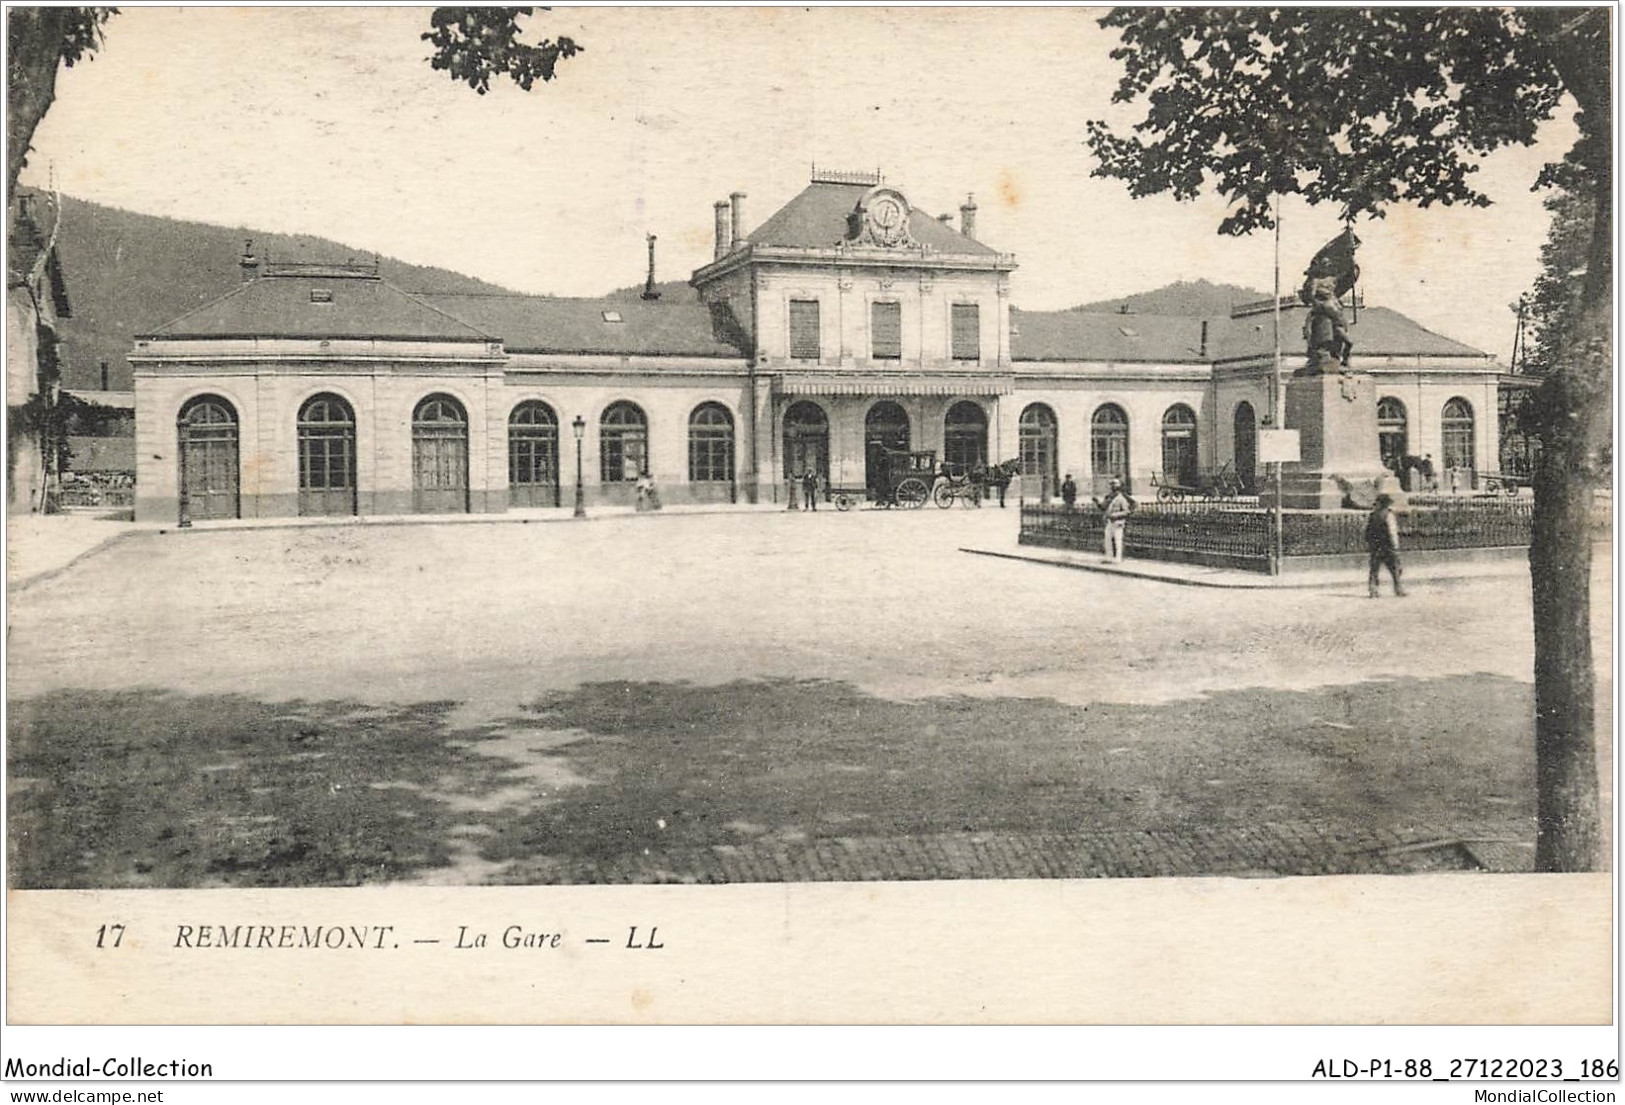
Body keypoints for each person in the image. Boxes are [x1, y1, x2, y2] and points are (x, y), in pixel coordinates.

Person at [1365, 492, 1404, 597]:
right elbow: (1392, 531)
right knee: (1395, 568)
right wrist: (1395, 546)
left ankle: (1373, 590)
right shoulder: (1389, 515)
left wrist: (1370, 543)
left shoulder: (1373, 515)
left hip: (1376, 546)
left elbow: (1368, 531)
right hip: (1387, 545)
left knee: (1374, 570)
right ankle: (1398, 589)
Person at [1099, 477, 1134, 562]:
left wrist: (1115, 515)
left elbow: (1126, 511)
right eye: (1112, 486)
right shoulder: (1109, 498)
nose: (1112, 488)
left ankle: (1118, 557)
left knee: (1118, 540)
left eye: (1114, 486)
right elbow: (1103, 507)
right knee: (1107, 539)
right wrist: (1098, 503)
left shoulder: (1121, 498)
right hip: (1109, 522)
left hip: (1118, 522)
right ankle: (1109, 556)